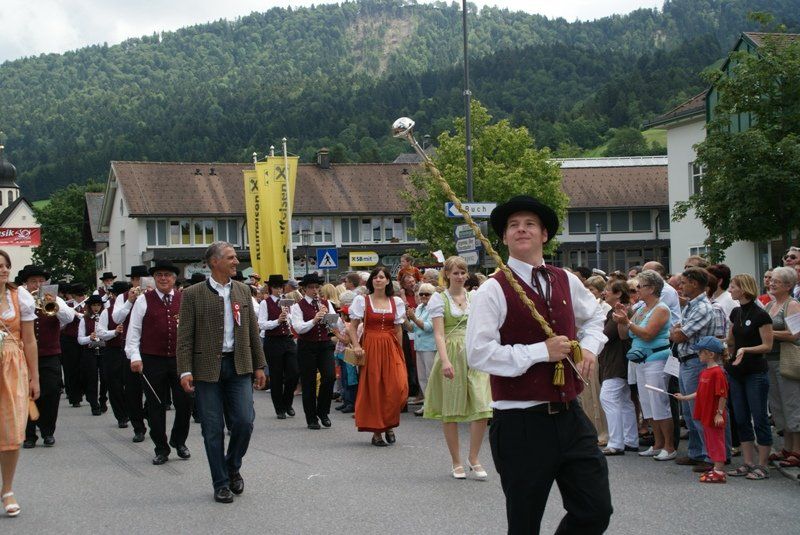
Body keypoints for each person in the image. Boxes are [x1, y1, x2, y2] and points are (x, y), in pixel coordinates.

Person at [466, 195, 611, 534]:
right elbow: (478, 353)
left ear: (544, 234)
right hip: (520, 423)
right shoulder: (493, 290)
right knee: (524, 524)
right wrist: (540, 352)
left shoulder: (565, 279)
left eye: (530, 224)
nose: (522, 229)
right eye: (513, 225)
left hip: (570, 416)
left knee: (595, 511)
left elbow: (596, 317)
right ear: (504, 238)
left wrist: (590, 348)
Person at [177, 242, 267, 503]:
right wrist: (184, 371)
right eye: (231, 257)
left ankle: (232, 466)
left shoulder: (243, 290)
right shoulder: (192, 294)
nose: (236, 262)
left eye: (235, 257)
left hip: (239, 365)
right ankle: (221, 483)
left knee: (244, 422)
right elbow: (185, 337)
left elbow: (252, 331)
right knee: (213, 429)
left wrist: (259, 365)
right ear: (214, 262)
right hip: (206, 369)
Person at [423, 256, 492, 478]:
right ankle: (456, 461)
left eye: (463, 272)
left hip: (474, 353)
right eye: (456, 273)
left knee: (482, 406)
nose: (460, 277)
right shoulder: (439, 299)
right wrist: (445, 360)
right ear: (447, 275)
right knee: (451, 408)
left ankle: (474, 457)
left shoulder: (474, 297)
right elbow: (439, 334)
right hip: (452, 352)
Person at [125, 260, 191, 465]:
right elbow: (134, 331)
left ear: (174, 279)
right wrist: (135, 357)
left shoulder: (184, 299)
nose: (163, 278)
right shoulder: (143, 300)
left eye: (168, 275)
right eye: (159, 275)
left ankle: (179, 441)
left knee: (185, 403)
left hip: (179, 359)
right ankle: (161, 448)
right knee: (156, 405)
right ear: (154, 278)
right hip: (152, 359)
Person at [614, 270, 676, 461]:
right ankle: (657, 443)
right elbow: (624, 335)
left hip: (656, 359)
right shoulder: (641, 309)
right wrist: (622, 319)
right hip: (641, 360)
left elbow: (648, 334)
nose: (637, 290)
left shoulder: (661, 309)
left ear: (652, 288)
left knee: (659, 403)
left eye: (640, 286)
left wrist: (627, 322)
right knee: (648, 405)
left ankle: (669, 446)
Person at [347, 267, 409, 446]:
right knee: (375, 388)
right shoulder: (362, 300)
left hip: (391, 346)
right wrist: (357, 345)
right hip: (371, 346)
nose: (378, 280)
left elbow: (398, 329)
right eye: (375, 277)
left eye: (382, 277)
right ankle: (377, 432)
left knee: (397, 386)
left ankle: (388, 423)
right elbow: (352, 327)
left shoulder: (395, 301)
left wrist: (400, 351)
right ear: (371, 281)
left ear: (388, 280)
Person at [0, 250, 39, 517]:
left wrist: (35, 377)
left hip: (13, 367)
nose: (3, 270)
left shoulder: (20, 297)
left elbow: (30, 340)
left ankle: (8, 489)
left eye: (6, 266)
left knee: (11, 431)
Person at [725, 274, 774, 480]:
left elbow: (767, 345)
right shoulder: (736, 312)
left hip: (755, 371)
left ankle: (763, 464)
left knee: (759, 417)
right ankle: (748, 462)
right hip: (736, 371)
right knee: (741, 417)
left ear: (744, 289)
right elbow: (731, 339)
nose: (730, 290)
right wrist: (726, 349)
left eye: (733, 286)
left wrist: (746, 349)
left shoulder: (760, 315)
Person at [20, 265, 74, 449]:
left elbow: (69, 318)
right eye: (33, 281)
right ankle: (29, 435)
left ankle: (48, 431)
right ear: (26, 283)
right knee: (27, 394)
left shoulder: (55, 298)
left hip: (50, 354)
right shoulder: (20, 298)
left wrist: (54, 304)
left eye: (41, 281)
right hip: (24, 355)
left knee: (51, 392)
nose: (37, 285)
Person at [670, 266, 717, 469]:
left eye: (683, 283)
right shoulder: (690, 306)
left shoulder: (702, 308)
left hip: (696, 361)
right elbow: (675, 331)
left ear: (695, 284)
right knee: (689, 412)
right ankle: (696, 452)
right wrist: (676, 332)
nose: (680, 287)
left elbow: (680, 335)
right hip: (685, 360)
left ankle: (709, 456)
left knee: (700, 410)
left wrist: (676, 332)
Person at [675, 336, 730, 483]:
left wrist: (719, 413)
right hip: (706, 413)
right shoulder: (705, 372)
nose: (698, 355)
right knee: (710, 441)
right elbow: (699, 392)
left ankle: (719, 470)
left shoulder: (717, 372)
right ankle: (716, 468)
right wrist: (684, 398)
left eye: (700, 352)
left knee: (717, 441)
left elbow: (722, 395)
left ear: (710, 354)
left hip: (714, 414)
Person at [763, 266, 800, 466]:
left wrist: (768, 333)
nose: (771, 283)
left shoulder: (792, 304)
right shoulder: (770, 305)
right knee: (777, 405)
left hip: (786, 361)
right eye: (771, 280)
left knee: (791, 403)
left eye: (776, 281)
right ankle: (787, 446)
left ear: (788, 285)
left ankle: (797, 450)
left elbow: (795, 334)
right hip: (769, 360)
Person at [290, 273, 337, 430]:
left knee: (329, 377)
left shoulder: (326, 303)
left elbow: (334, 324)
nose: (315, 290)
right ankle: (311, 418)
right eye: (311, 287)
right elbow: (298, 328)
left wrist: (328, 317)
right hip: (307, 346)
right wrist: (314, 320)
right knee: (309, 382)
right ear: (304, 289)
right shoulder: (297, 307)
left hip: (324, 345)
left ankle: (323, 412)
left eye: (317, 287)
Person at [599, 280, 637, 455]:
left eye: (608, 290)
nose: (604, 293)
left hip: (617, 361)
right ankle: (630, 439)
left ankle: (615, 442)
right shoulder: (620, 310)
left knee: (608, 397)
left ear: (618, 293)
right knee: (624, 400)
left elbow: (606, 335)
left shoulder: (621, 311)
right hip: (619, 360)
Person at [112, 265, 149, 443]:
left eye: (142, 278)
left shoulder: (153, 295)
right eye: (136, 279)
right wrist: (130, 301)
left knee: (156, 388)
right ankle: (138, 427)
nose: (139, 282)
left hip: (151, 347)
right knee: (133, 390)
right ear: (132, 281)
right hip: (131, 347)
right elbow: (116, 319)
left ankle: (147, 412)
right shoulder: (123, 297)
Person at [258, 274, 299, 419]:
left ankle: (287, 403)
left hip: (288, 339)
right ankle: (279, 408)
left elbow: (293, 321)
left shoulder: (287, 302)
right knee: (276, 376)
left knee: (294, 373)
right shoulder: (265, 303)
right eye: (276, 287)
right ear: (270, 288)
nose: (279, 290)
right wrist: (277, 321)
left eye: (281, 287)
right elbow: (262, 324)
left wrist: (289, 318)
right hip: (273, 341)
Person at [95, 280, 131, 429]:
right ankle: (121, 416)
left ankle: (132, 412)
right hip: (113, 351)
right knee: (115, 385)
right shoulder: (107, 311)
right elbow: (100, 333)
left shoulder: (136, 308)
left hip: (130, 351)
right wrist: (114, 332)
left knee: (131, 385)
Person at [407, 282, 435, 417]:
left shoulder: (434, 308)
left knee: (431, 377)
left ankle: (432, 405)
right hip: (420, 346)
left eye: (427, 294)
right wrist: (403, 319)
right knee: (422, 377)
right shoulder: (419, 308)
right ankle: (427, 403)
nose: (423, 296)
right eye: (421, 294)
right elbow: (412, 328)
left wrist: (413, 318)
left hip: (430, 346)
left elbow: (428, 327)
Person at [77, 295, 106, 416]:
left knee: (105, 378)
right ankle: (94, 404)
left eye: (98, 305)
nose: (96, 308)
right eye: (94, 305)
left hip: (104, 350)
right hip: (90, 352)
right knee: (91, 379)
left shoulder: (105, 317)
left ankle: (103, 399)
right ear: (89, 306)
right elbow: (80, 340)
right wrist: (90, 337)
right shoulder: (84, 320)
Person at [61, 283, 88, 407]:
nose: (82, 297)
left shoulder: (88, 305)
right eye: (79, 295)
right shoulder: (67, 306)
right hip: (70, 340)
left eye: (83, 294)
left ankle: (86, 392)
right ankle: (74, 397)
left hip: (84, 340)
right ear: (73, 295)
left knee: (85, 368)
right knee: (71, 368)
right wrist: (71, 315)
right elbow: (61, 326)